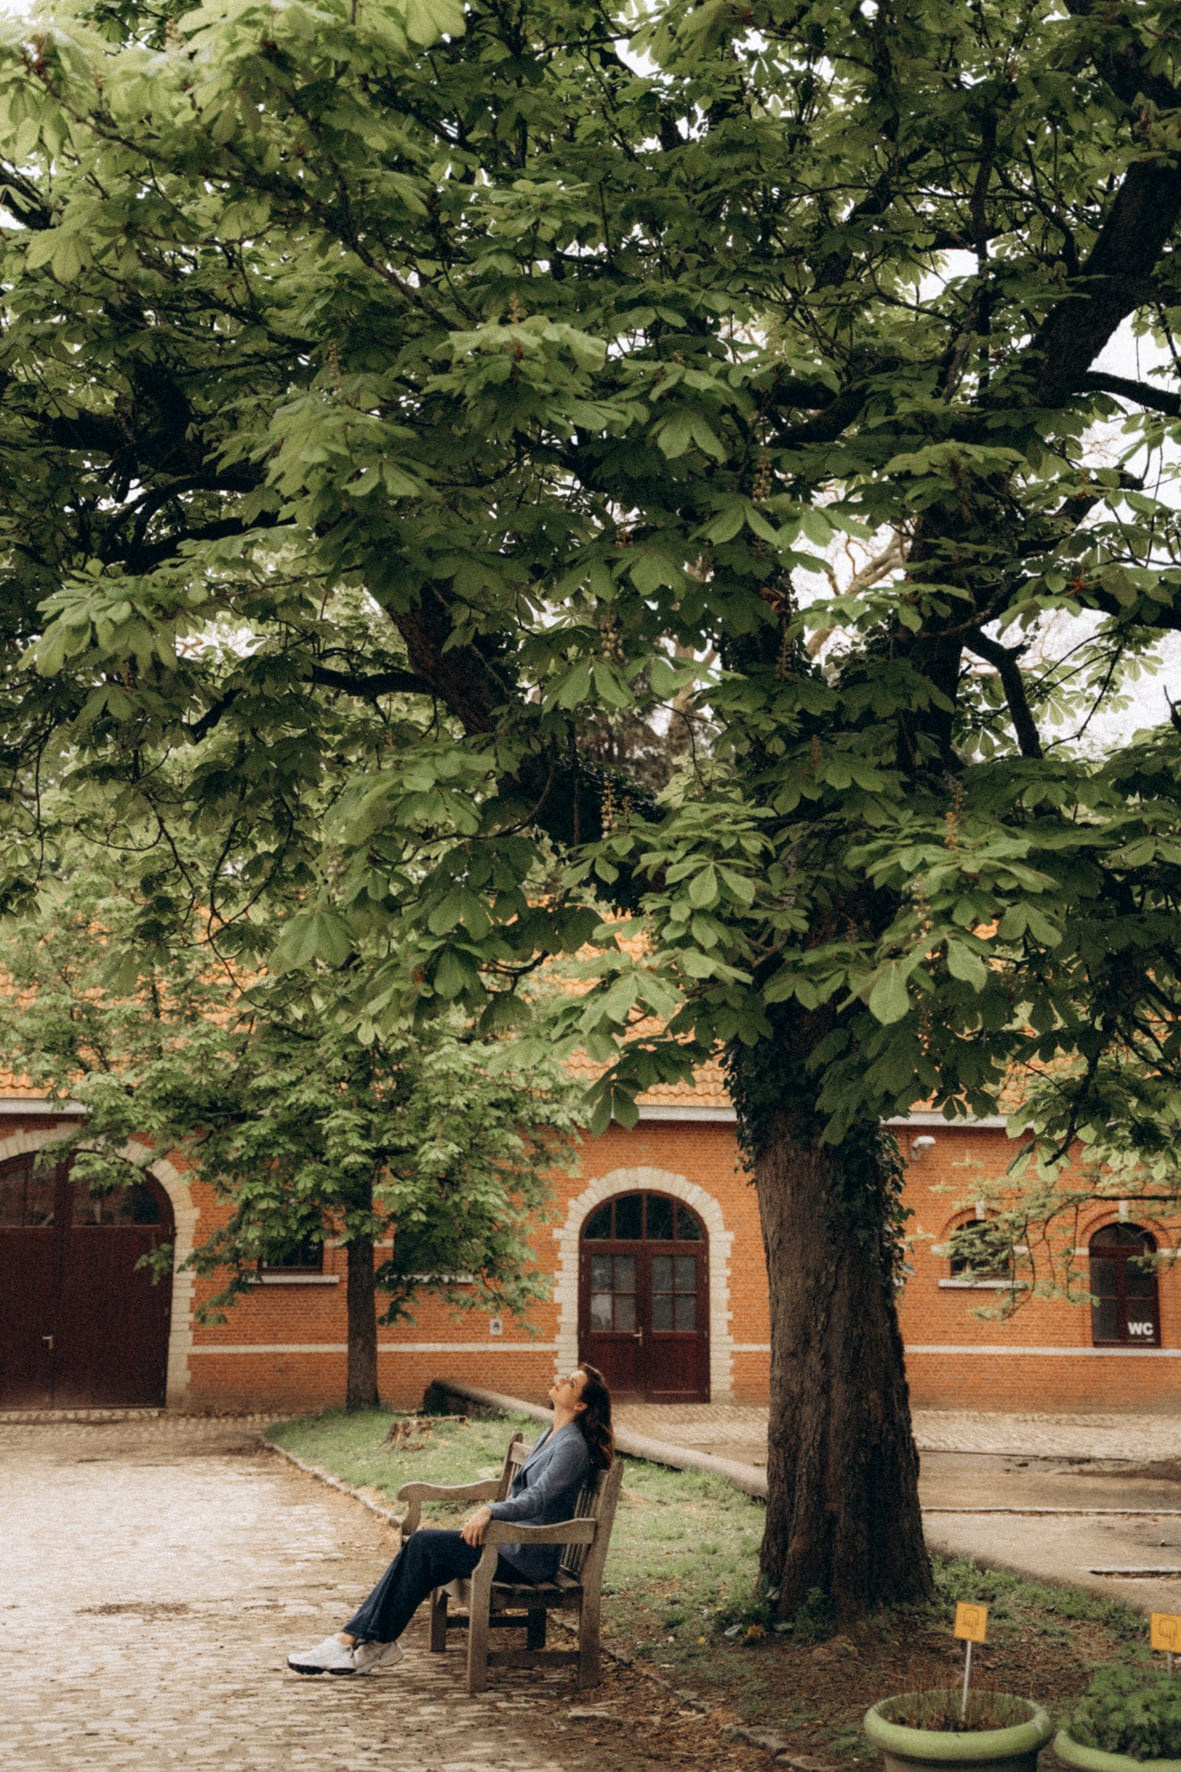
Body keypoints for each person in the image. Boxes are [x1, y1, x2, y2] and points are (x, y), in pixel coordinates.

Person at [287, 1364, 614, 1676]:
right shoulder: (552, 1433)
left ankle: (356, 1641)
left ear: (582, 1404)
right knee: (424, 1555)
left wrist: (489, 1511)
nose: (559, 1380)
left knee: (423, 1544)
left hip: (526, 1556)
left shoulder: (571, 1447)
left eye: (570, 1383)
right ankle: (372, 1642)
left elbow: (538, 1498)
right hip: (508, 1543)